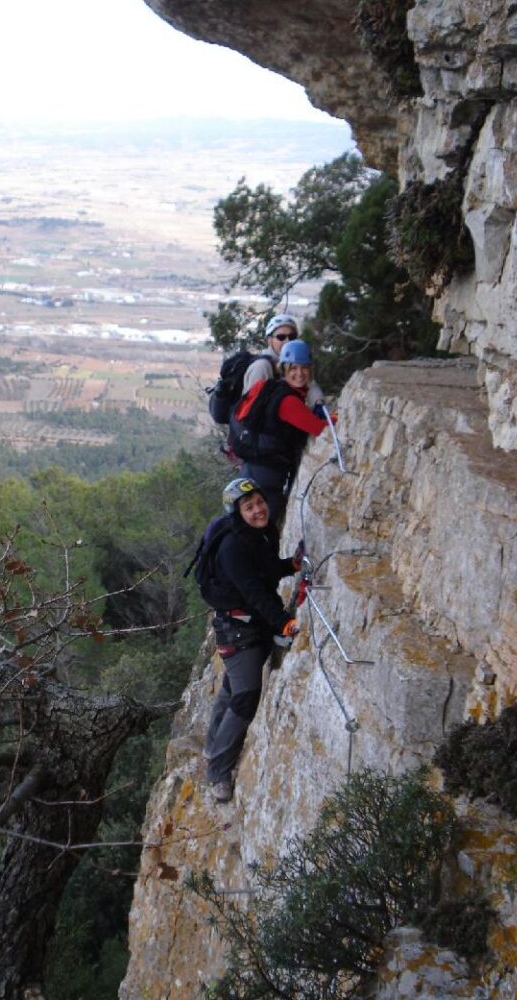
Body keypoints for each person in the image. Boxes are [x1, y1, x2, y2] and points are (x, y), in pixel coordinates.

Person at [204, 477, 301, 803]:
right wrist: (284, 622)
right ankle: (218, 771)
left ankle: (211, 744)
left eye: (259, 502)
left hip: (249, 623)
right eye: (249, 507)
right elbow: (254, 590)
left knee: (233, 687)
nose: (258, 509)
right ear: (237, 512)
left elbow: (266, 571)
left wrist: (291, 565)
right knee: (245, 695)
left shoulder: (261, 533)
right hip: (238, 629)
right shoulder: (233, 547)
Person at [237, 339, 335, 520]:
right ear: (284, 369)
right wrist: (337, 418)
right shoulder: (287, 401)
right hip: (266, 478)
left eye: (304, 367)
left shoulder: (279, 390)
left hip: (255, 471)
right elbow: (320, 428)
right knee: (264, 530)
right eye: (293, 368)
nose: (299, 373)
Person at [242, 313, 323, 408]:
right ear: (269, 340)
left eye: (292, 337)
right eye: (281, 337)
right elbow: (250, 407)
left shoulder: (294, 360)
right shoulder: (262, 367)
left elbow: (310, 383)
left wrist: (318, 404)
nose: (287, 341)